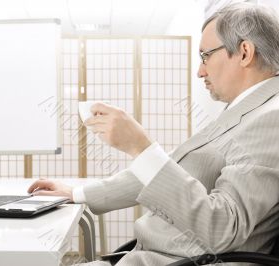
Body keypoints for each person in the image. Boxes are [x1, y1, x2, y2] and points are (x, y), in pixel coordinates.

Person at [28, 2, 279, 265]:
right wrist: (76, 193)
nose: (200, 70)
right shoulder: (243, 110)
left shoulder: (270, 118)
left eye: (205, 56)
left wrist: (140, 146)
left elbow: (221, 228)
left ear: (244, 52)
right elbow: (166, 173)